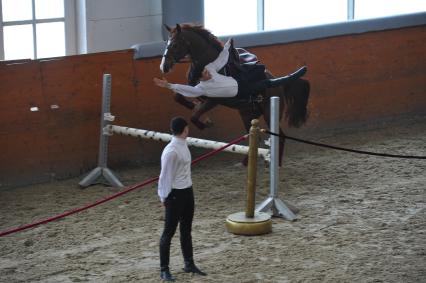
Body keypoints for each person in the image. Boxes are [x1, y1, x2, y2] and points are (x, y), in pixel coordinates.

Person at [154, 38, 306, 99]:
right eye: (205, 74)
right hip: (240, 91)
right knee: (266, 84)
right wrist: (168, 85)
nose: (208, 73)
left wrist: (227, 46)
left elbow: (222, 59)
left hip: (239, 80)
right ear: (201, 78)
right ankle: (291, 77)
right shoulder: (202, 89)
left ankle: (288, 79)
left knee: (259, 69)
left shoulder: (211, 68)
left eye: (206, 71)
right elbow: (187, 90)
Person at [158, 117, 206, 281]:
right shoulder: (171, 151)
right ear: (185, 129)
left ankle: (189, 263)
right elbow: (165, 176)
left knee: (186, 230)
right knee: (168, 232)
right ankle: (164, 269)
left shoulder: (183, 143)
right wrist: (163, 196)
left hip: (187, 191)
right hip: (175, 195)